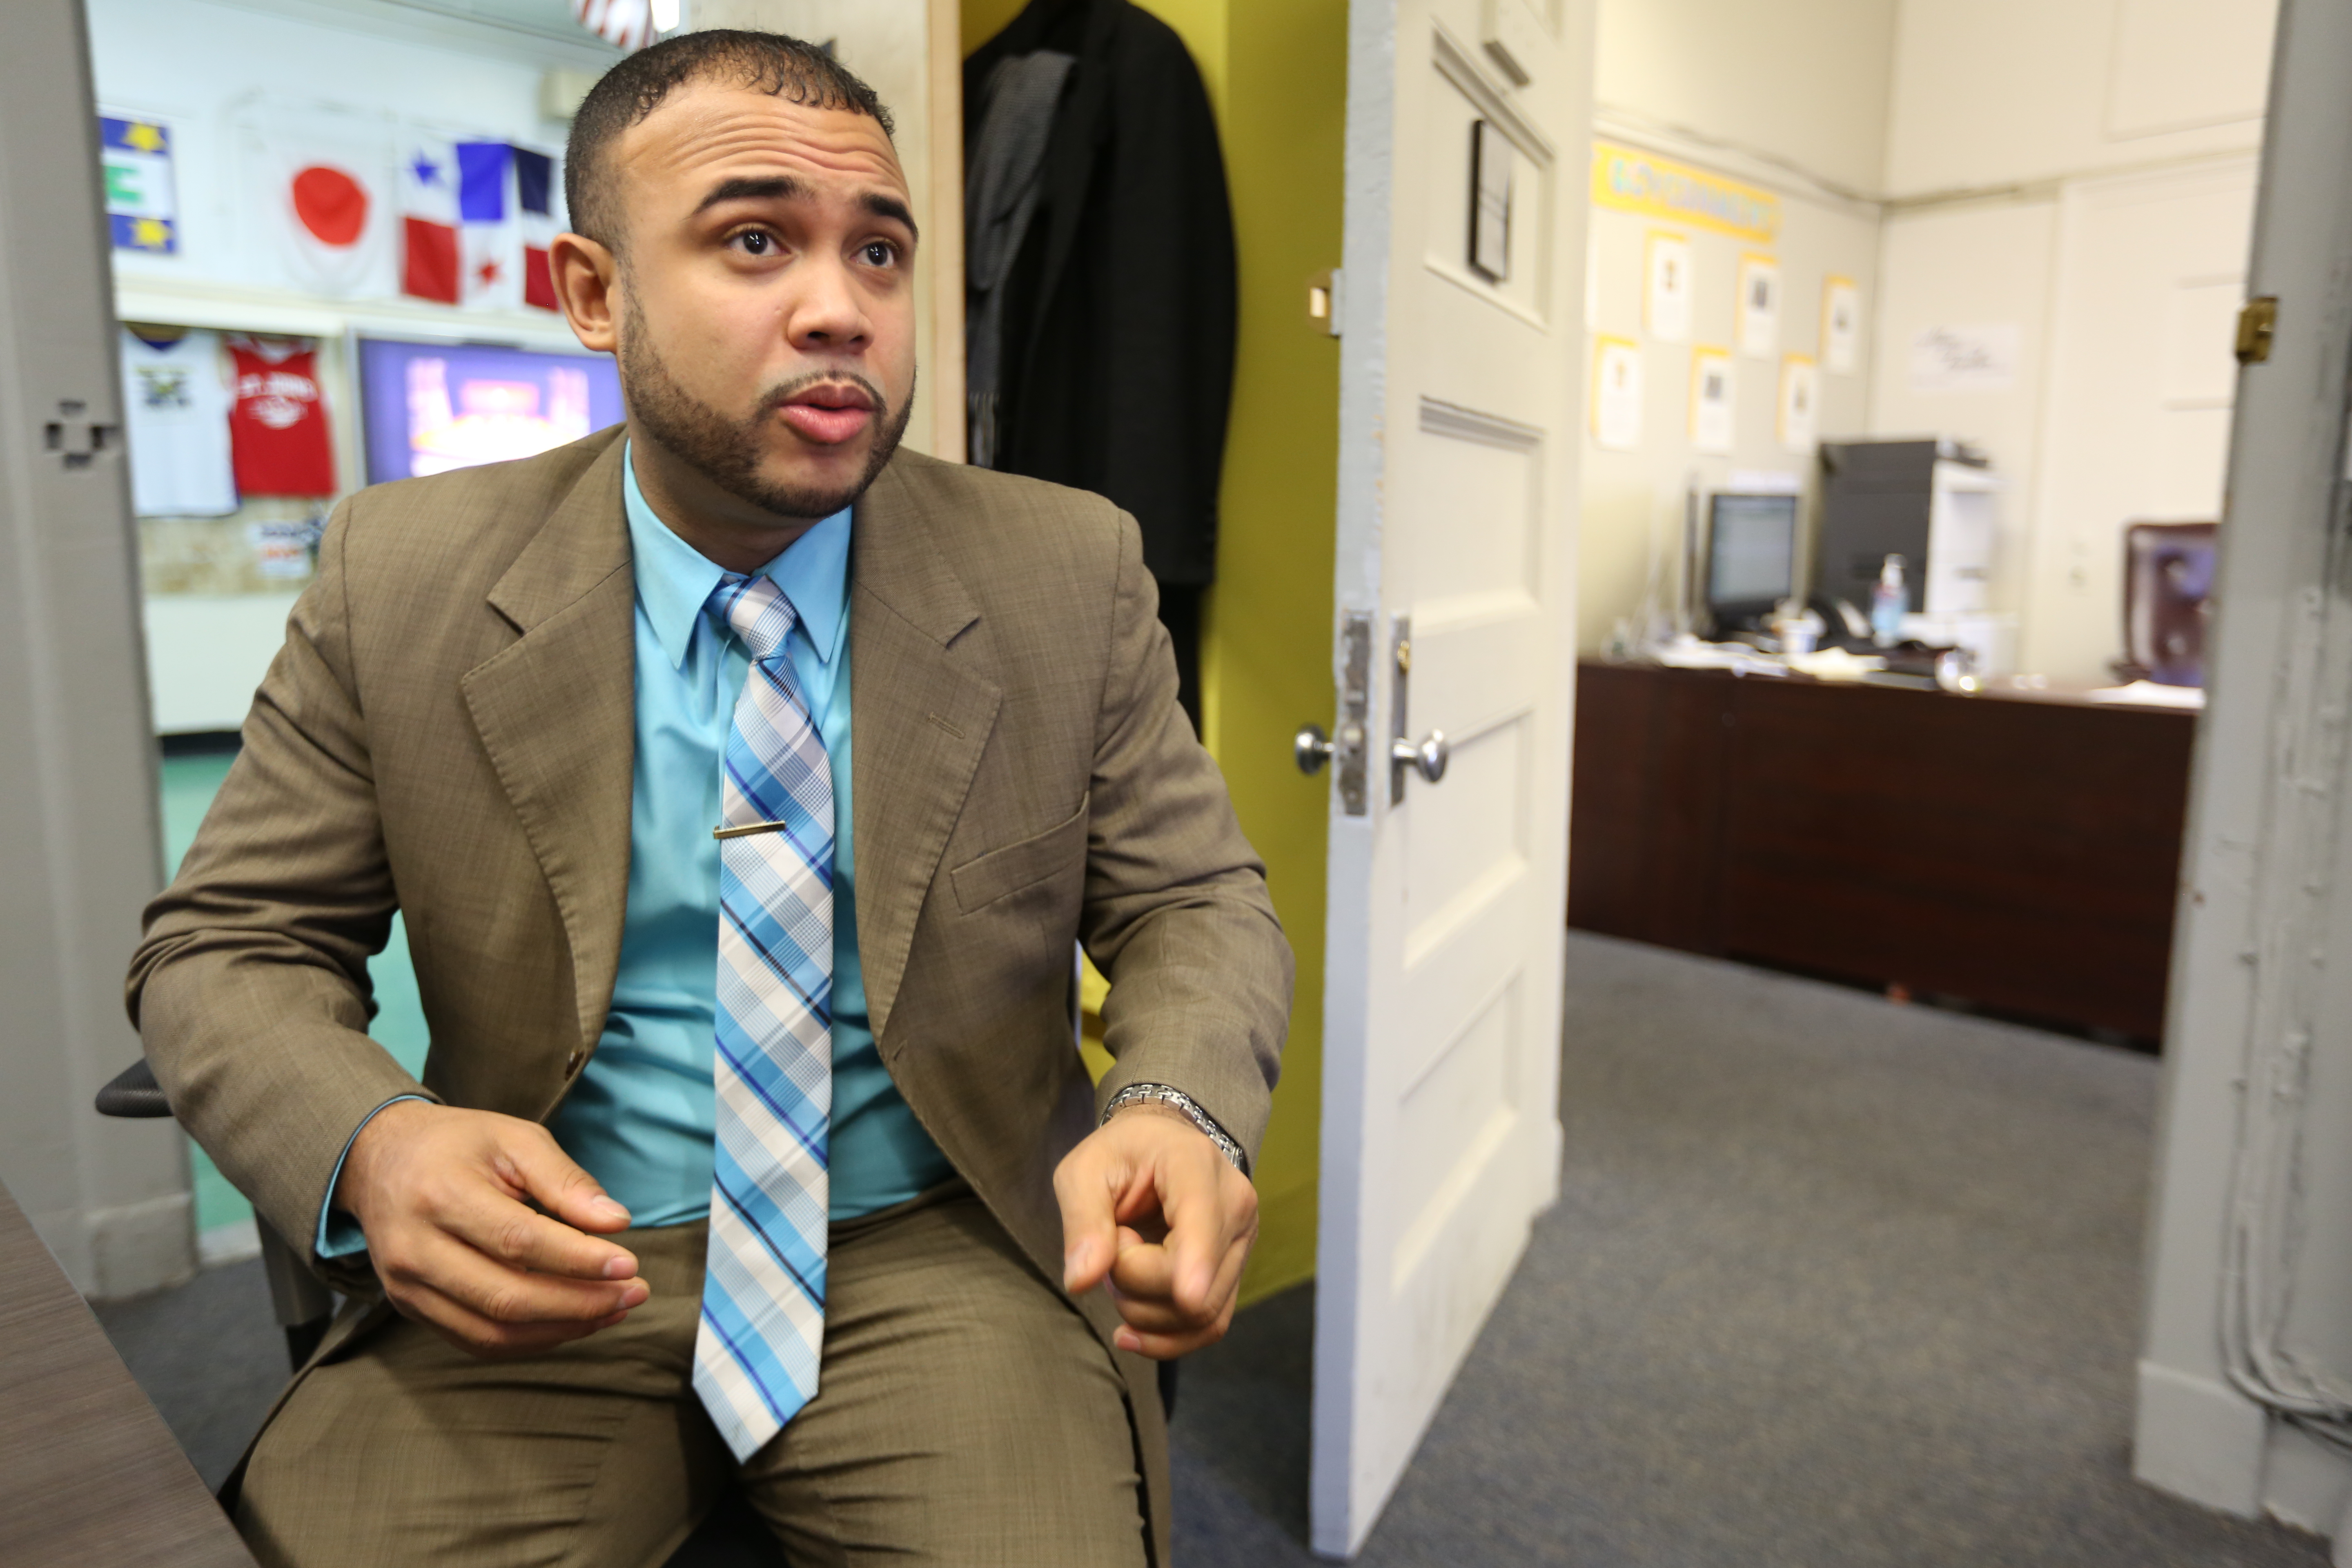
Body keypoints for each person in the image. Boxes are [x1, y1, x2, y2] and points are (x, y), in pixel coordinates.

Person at [126, 29, 1291, 1568]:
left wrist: (1178, 1101)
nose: (840, 309)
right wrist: (373, 1145)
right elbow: (228, 943)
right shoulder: (400, 574)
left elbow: (1192, 900)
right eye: (756, 241)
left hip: (938, 1250)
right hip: (550, 1246)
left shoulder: (1065, 571)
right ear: (593, 294)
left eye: (880, 251)